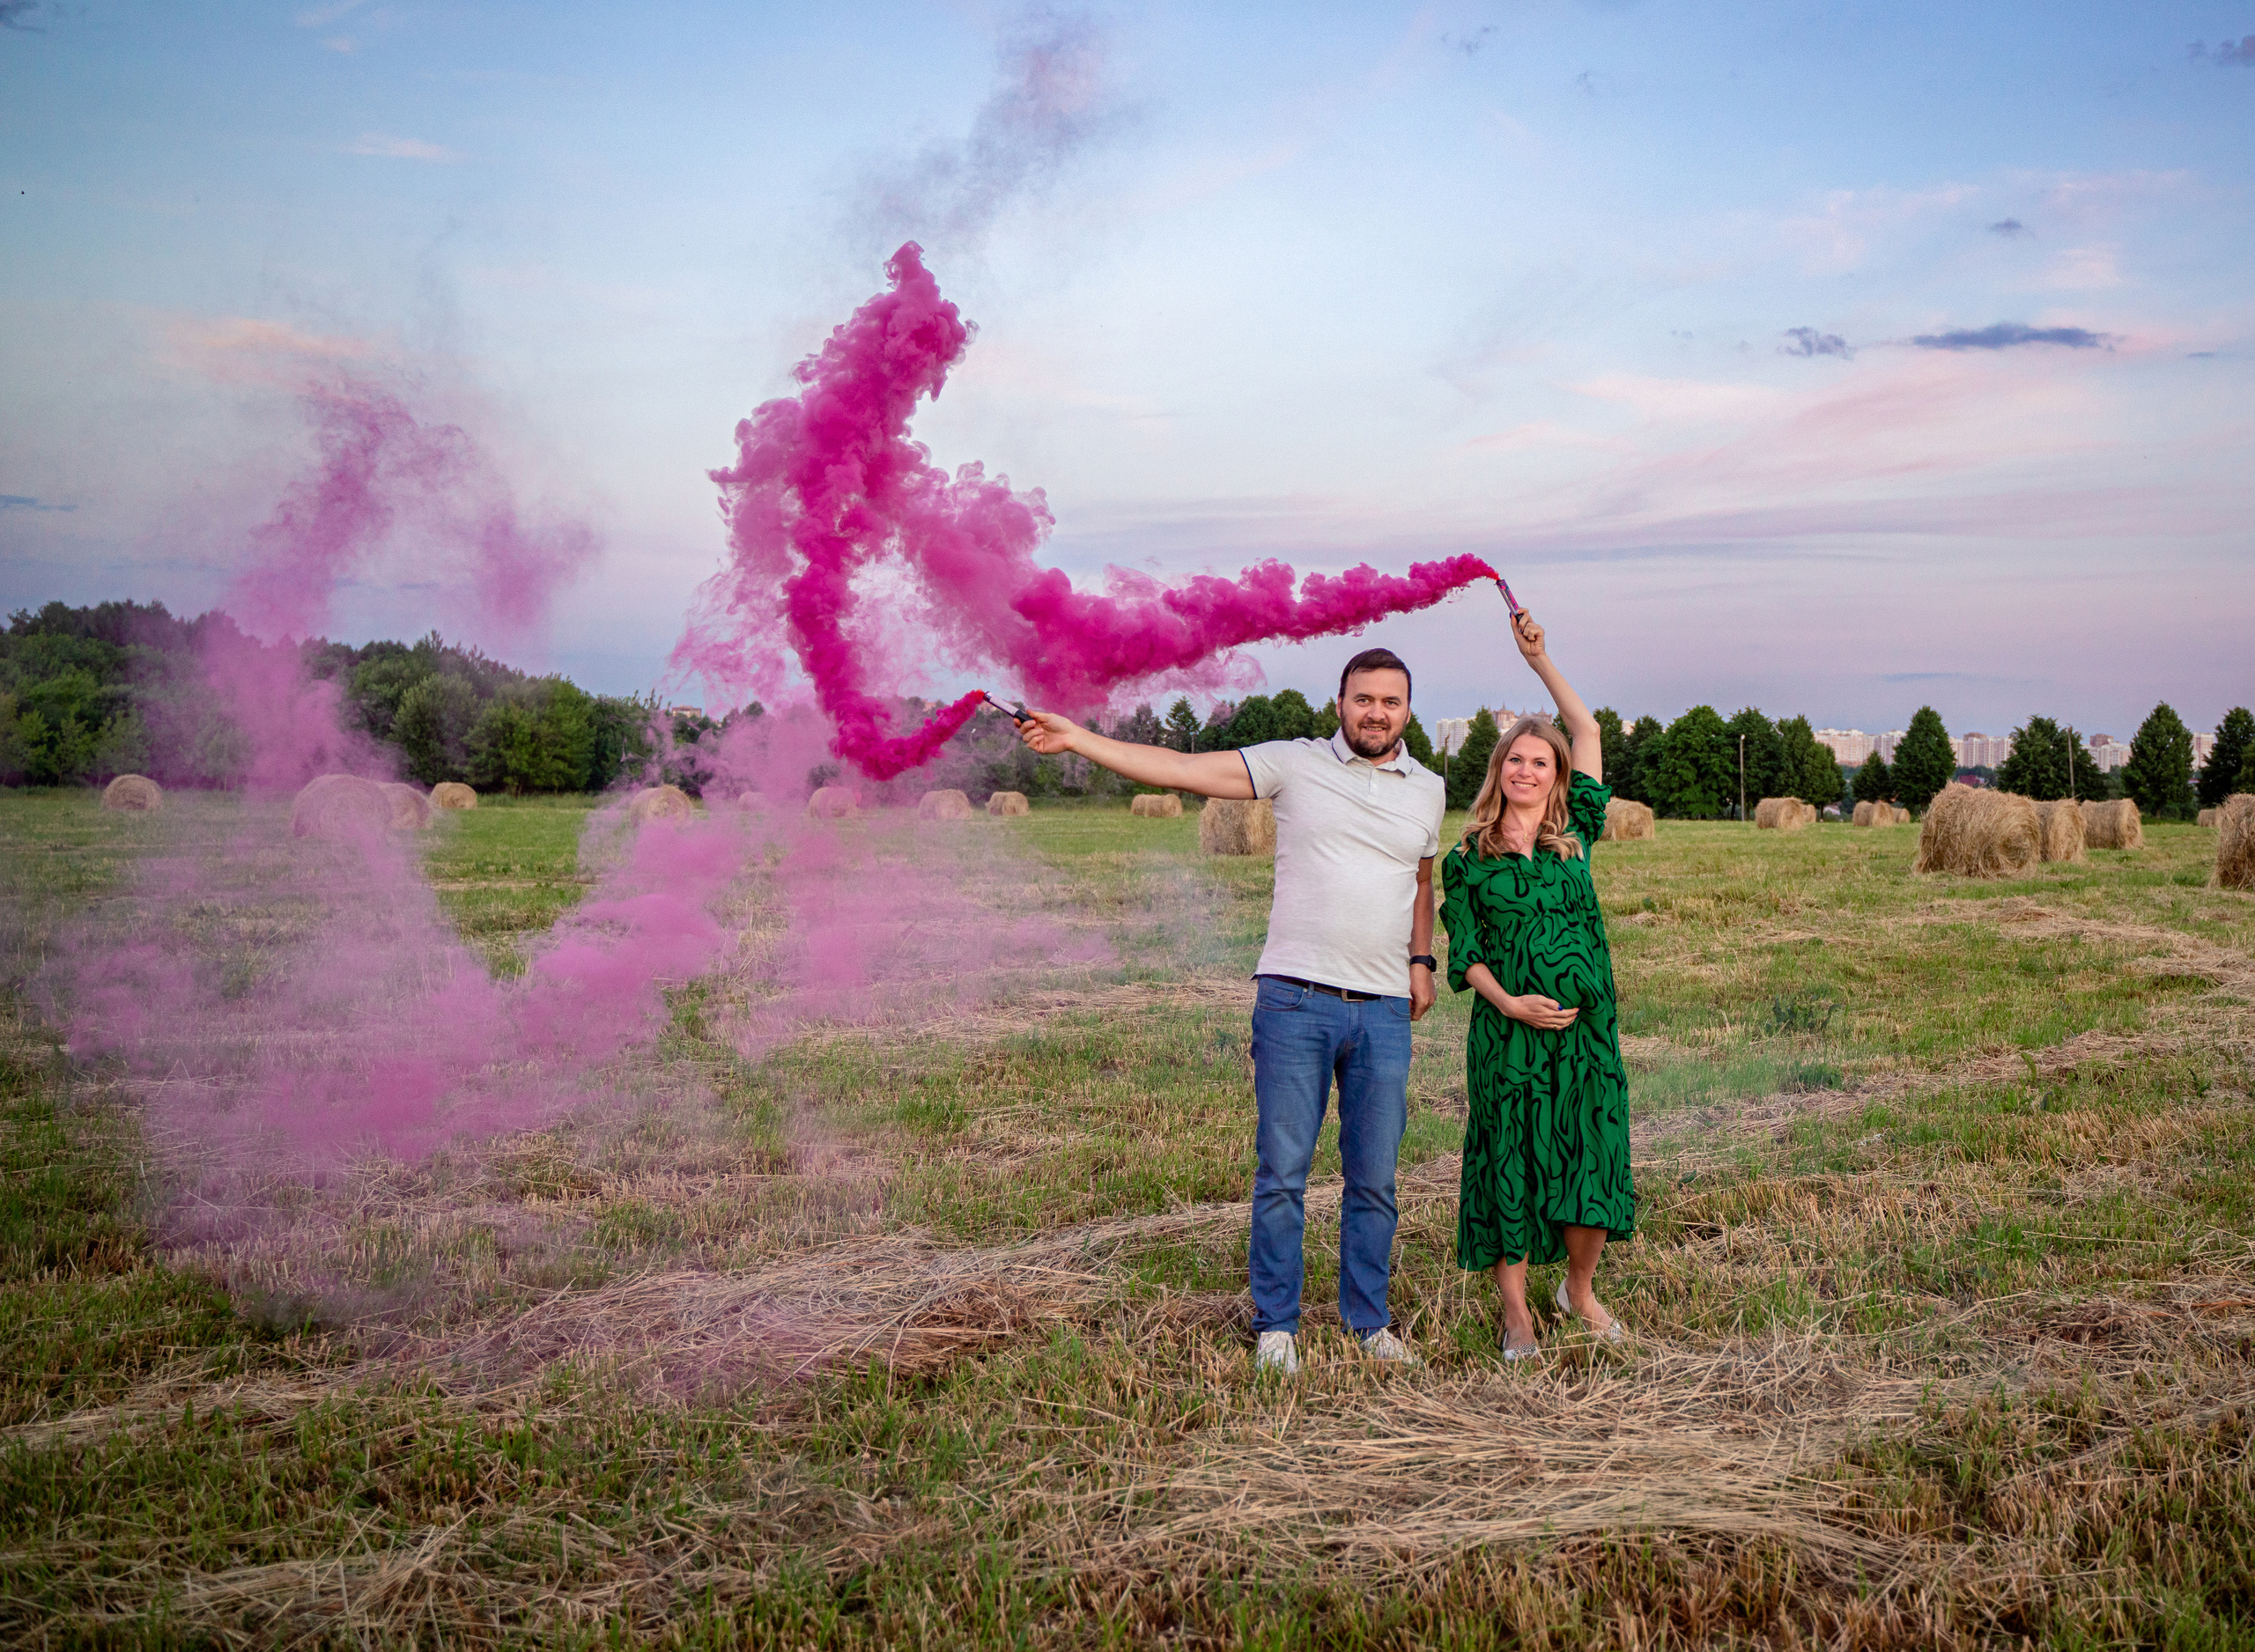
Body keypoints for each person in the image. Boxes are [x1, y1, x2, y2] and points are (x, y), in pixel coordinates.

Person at [1013, 648, 1445, 1374]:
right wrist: (1077, 738)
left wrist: (1421, 960)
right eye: (1363, 698)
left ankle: (1369, 1322)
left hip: (1383, 1012)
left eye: (1391, 702)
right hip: (1295, 999)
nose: (1376, 712)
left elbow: (1422, 878)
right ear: (1339, 703)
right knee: (1282, 1171)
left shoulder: (1428, 788)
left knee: (1375, 1177)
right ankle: (1276, 1323)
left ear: (1408, 710)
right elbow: (1180, 771)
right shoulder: (1293, 763)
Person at [1438, 611, 1632, 1361]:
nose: (1526, 770)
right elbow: (1469, 953)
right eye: (1515, 760)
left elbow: (1585, 730)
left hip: (1586, 1037)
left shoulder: (1578, 833)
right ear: (1499, 771)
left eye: (1539, 763)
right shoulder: (1470, 858)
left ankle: (1577, 1291)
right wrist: (1508, 1002)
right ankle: (1517, 1313)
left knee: (1593, 1154)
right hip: (1507, 1036)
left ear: (1556, 778)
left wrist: (1540, 662)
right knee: (1509, 1160)